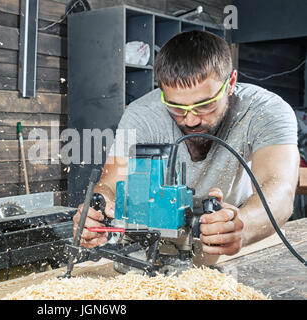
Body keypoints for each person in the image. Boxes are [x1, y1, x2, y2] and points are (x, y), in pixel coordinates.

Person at [72, 30, 299, 256]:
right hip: (163, 237)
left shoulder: (265, 110)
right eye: (177, 107)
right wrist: (97, 208)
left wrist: (244, 225)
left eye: (205, 105)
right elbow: (110, 184)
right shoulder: (142, 114)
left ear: (230, 82)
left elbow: (279, 188)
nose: (190, 119)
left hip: (233, 228)